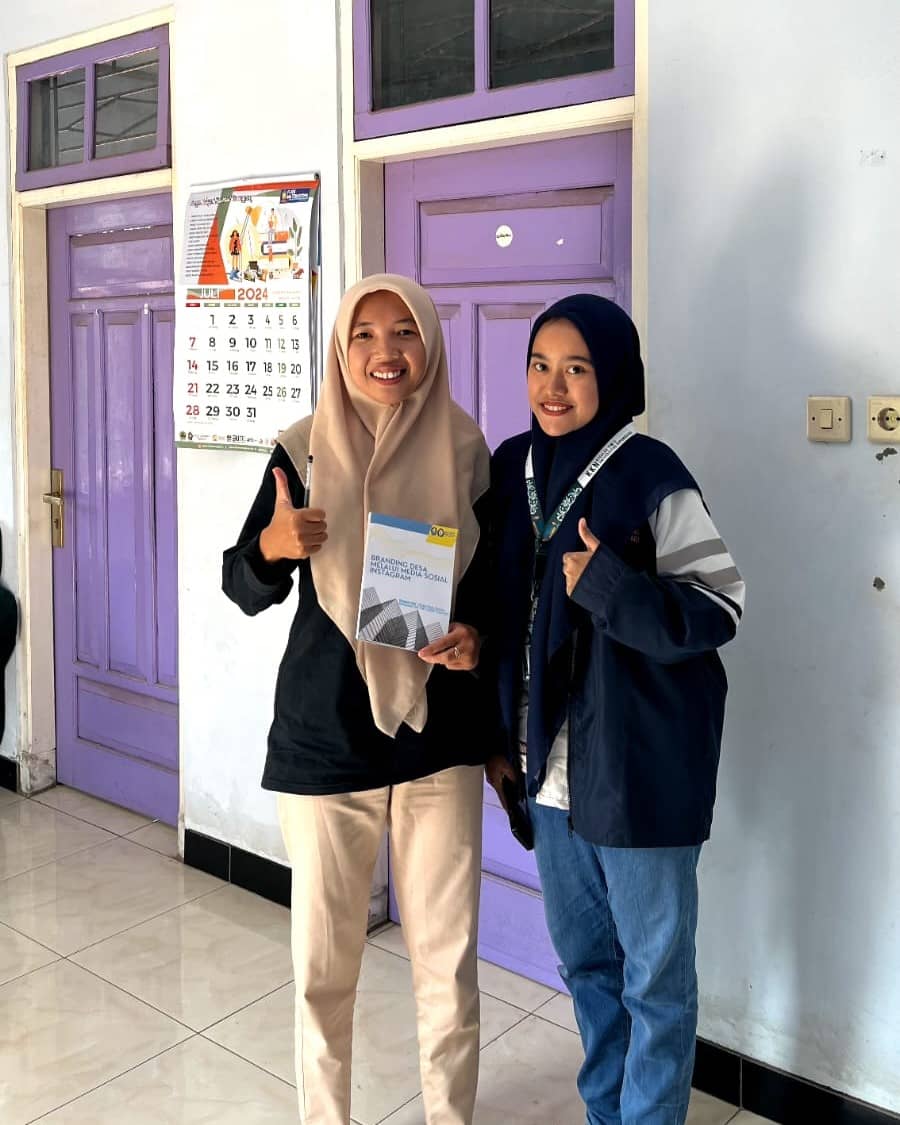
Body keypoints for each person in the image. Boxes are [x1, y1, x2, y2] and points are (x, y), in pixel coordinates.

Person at [223, 274, 492, 1125]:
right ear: (342, 348)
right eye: (365, 334)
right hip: (326, 740)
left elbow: (493, 588)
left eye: (404, 331)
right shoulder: (301, 449)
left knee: (447, 966)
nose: (386, 351)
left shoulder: (465, 448)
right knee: (323, 972)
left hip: (437, 743)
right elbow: (242, 584)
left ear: (430, 343)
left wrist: (475, 637)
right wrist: (271, 548)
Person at [486, 295, 745, 1125]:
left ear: (615, 376)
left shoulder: (651, 474)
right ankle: (609, 1113)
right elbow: (501, 604)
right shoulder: (514, 467)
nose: (552, 386)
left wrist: (612, 589)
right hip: (550, 775)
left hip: (638, 769)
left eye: (576, 368)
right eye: (540, 365)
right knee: (588, 966)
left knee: (655, 982)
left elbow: (720, 606)